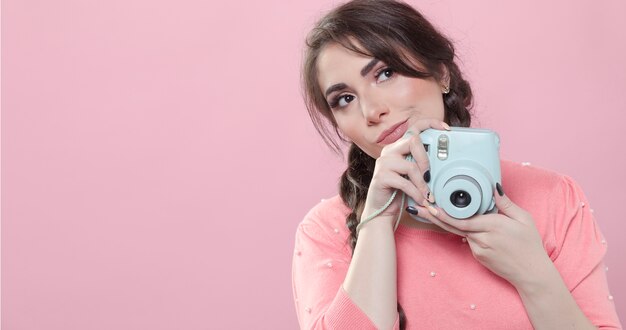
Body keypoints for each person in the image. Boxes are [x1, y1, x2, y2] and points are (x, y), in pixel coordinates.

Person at [291, 0, 622, 329]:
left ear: (441, 75)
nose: (371, 111)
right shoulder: (325, 230)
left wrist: (534, 275)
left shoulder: (553, 197)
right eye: (344, 99)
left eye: (386, 73)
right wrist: (377, 222)